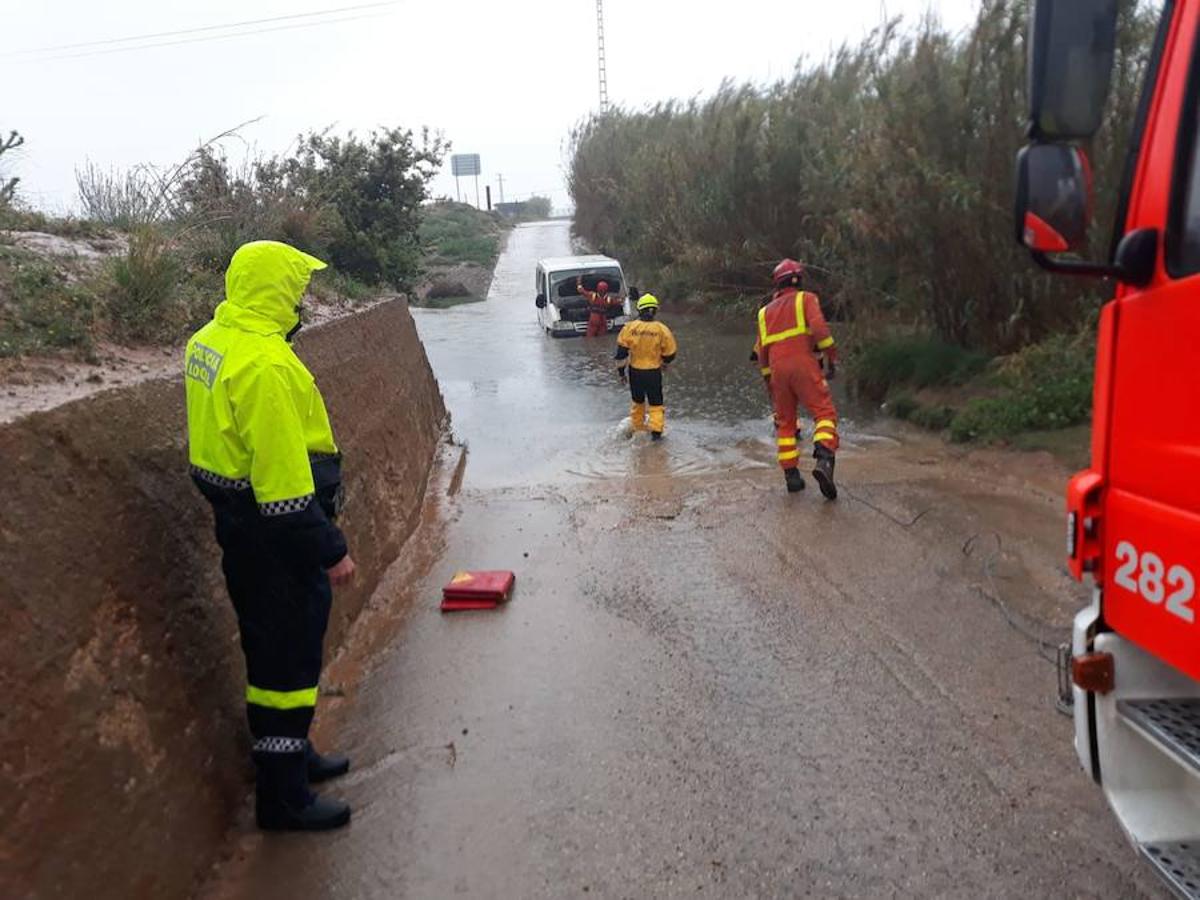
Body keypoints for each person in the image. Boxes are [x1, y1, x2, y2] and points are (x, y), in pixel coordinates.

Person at [184, 240, 356, 832]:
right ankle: (283, 801)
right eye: (296, 288)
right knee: (287, 665)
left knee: (269, 653)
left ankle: (293, 757)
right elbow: (284, 492)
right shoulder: (266, 366)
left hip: (237, 524)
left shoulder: (210, 341)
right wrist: (329, 550)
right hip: (277, 539)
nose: (302, 299)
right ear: (275, 290)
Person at [752, 259, 840, 499]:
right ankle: (823, 459)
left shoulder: (764, 313)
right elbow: (821, 330)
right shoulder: (806, 299)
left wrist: (768, 382)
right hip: (804, 364)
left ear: (777, 284)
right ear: (799, 279)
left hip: (777, 371)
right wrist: (832, 357)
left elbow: (762, 353)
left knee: (786, 423)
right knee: (824, 414)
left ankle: (792, 477)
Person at [615, 293, 678, 440]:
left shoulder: (629, 328)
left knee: (638, 402)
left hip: (635, 372)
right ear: (654, 311)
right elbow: (671, 353)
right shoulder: (662, 330)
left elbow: (621, 353)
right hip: (653, 372)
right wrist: (664, 363)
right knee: (656, 402)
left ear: (639, 310)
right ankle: (656, 434)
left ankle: (638, 429)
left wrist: (621, 373)